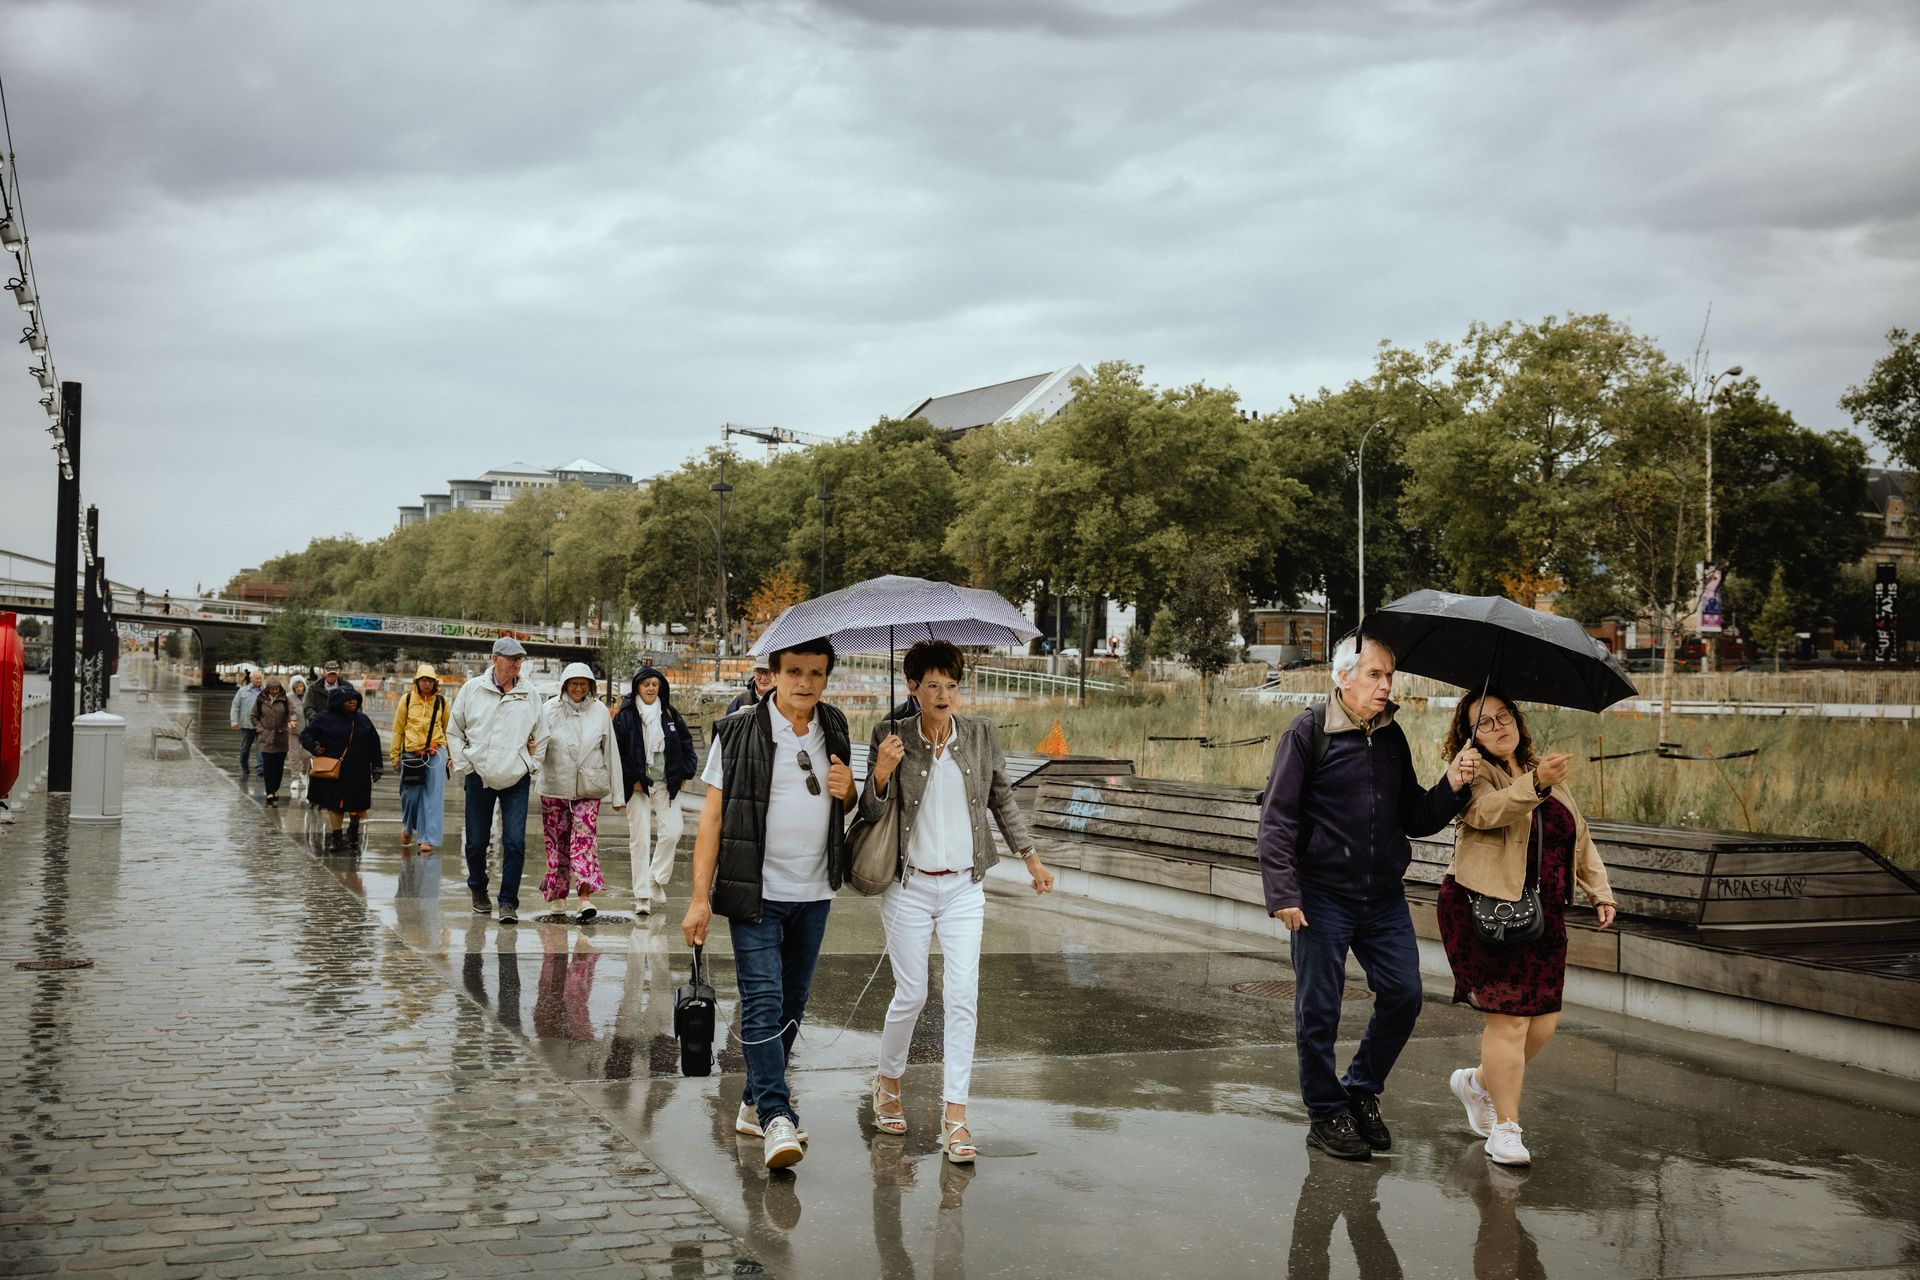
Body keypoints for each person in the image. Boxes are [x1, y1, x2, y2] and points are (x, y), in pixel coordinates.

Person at [1257, 633, 1479, 1161]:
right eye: (1375, 675)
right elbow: (1277, 819)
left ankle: (1359, 1090)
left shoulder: (1392, 735)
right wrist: (1283, 890)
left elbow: (1414, 817)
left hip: (1382, 898)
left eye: (1389, 676)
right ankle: (1325, 1113)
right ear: (1343, 677)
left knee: (1404, 996)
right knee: (1320, 1010)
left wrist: (1451, 784)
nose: (1386, 686)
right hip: (1321, 896)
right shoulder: (1309, 732)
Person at [861, 640, 1053, 1164]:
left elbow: (1002, 798)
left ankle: (956, 1115)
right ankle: (888, 1082)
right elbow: (870, 812)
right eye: (932, 685)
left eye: (951, 685)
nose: (943, 695)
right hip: (908, 886)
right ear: (913, 688)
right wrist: (881, 773)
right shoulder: (890, 736)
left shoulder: (980, 734)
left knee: (963, 994)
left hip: (965, 886)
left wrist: (1031, 857)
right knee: (913, 994)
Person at [682, 637, 857, 1171]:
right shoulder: (737, 732)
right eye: (795, 671)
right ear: (773, 675)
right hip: (754, 892)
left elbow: (846, 805)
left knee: (791, 1007)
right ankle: (778, 1115)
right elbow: (712, 820)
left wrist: (850, 789)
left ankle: (752, 1100)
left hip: (815, 891)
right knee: (762, 1001)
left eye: (816, 673)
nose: (806, 682)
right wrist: (698, 900)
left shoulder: (835, 727)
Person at [1438, 690, 1616, 1167]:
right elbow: (1487, 812)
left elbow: (1579, 836)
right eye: (1485, 722)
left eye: (1505, 717)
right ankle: (1505, 1129)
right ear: (1469, 734)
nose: (1499, 727)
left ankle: (1477, 1082)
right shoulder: (1473, 772)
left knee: (1544, 1022)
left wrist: (1600, 891)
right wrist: (1536, 784)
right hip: (1486, 909)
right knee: (1510, 1020)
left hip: (1543, 913)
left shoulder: (1543, 772)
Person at [449, 636, 549, 925]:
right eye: (512, 659)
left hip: (515, 778)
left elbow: (542, 734)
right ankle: (478, 888)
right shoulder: (472, 689)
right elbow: (454, 730)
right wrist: (466, 764)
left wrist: (531, 765)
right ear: (495, 659)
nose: (517, 665)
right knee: (476, 842)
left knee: (514, 842)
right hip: (478, 776)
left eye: (520, 660)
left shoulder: (530, 694)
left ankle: (508, 901)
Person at [538, 662, 624, 921]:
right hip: (555, 786)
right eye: (574, 684)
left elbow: (611, 752)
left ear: (591, 686)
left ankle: (584, 897)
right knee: (557, 841)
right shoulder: (549, 710)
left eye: (583, 684)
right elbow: (538, 746)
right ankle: (558, 895)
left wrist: (618, 794)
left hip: (589, 786)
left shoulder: (600, 712)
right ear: (564, 685)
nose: (578, 689)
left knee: (585, 840)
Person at [612, 664, 697, 916]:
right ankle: (642, 897)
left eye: (655, 684)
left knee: (673, 831)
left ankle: (655, 878)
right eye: (646, 684)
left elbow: (687, 744)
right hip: (638, 785)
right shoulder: (626, 716)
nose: (651, 688)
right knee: (640, 839)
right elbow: (617, 752)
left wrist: (684, 772)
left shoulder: (669, 713)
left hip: (665, 782)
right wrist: (631, 778)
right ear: (637, 687)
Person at [299, 684, 382, 852]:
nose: (352, 703)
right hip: (334, 771)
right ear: (337, 702)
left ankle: (353, 833)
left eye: (354, 700)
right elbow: (305, 735)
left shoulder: (363, 720)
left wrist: (377, 767)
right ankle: (336, 837)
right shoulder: (324, 718)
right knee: (334, 805)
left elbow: (374, 743)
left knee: (356, 806)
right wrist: (315, 747)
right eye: (347, 700)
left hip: (358, 770)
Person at [391, 663, 450, 855]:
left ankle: (427, 838)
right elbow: (398, 729)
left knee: (432, 797)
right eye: (424, 680)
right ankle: (408, 827)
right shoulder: (407, 700)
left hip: (435, 753)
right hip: (411, 754)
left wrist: (451, 755)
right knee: (410, 795)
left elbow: (449, 730)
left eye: (431, 681)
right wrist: (394, 755)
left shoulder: (442, 702)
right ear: (417, 681)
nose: (427, 684)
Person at [250, 679, 294, 806]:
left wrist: (292, 720)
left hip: (281, 737)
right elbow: (253, 716)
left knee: (278, 767)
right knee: (268, 766)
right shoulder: (260, 700)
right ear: (267, 689)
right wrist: (261, 729)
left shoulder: (285, 699)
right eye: (272, 689)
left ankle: (275, 789)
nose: (275, 691)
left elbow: (292, 712)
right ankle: (270, 792)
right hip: (266, 738)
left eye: (277, 689)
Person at [229, 668, 265, 780]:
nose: (259, 681)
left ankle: (261, 769)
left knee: (261, 747)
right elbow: (235, 706)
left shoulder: (266, 692)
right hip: (246, 725)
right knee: (245, 748)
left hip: (261, 725)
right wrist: (234, 721)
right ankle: (244, 766)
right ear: (251, 679)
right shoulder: (242, 691)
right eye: (257, 678)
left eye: (260, 678)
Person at [304, 660, 348, 726]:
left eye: (334, 674)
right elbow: (308, 707)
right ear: (324, 673)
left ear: (338, 673)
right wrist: (317, 718)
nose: (332, 677)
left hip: (342, 725)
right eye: (329, 674)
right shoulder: (314, 688)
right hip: (320, 726)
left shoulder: (347, 686)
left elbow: (356, 705)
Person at [285, 677, 309, 796]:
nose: (299, 689)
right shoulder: (288, 697)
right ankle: (295, 778)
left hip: (307, 731)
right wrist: (288, 722)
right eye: (297, 687)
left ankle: (303, 772)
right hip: (292, 731)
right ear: (293, 687)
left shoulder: (309, 697)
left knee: (308, 754)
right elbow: (284, 712)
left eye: (301, 686)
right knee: (293, 754)